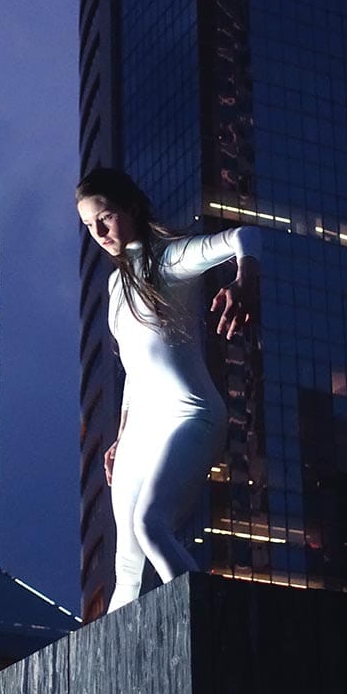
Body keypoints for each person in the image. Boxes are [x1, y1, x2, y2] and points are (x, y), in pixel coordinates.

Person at [76, 168, 261, 613]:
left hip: (191, 415)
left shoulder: (170, 259)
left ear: (131, 209)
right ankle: (117, 675)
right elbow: (136, 370)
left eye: (106, 218)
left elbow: (247, 236)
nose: (99, 233)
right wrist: (121, 436)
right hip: (139, 429)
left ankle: (207, 629)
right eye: (88, 226)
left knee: (150, 524)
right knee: (125, 568)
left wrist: (243, 281)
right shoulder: (116, 285)